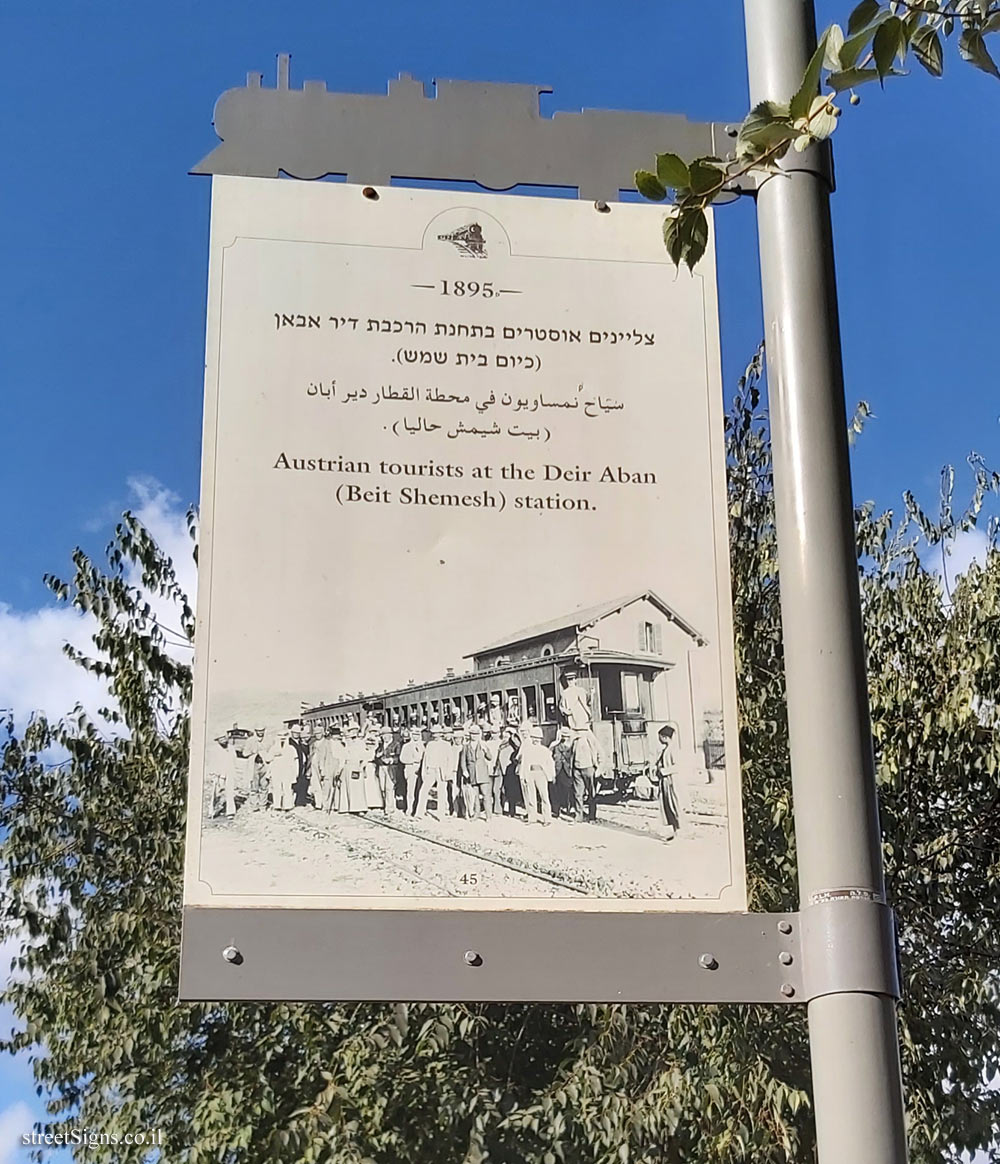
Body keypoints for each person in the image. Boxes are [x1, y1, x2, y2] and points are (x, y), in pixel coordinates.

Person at [518, 726, 554, 824]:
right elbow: (524, 764)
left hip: (541, 774)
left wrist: (550, 776)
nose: (535, 740)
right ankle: (532, 818)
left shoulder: (545, 750)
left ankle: (547, 818)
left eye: (538, 738)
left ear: (541, 739)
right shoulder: (527, 750)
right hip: (530, 773)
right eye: (533, 737)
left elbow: (550, 764)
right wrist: (523, 776)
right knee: (531, 796)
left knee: (544, 796)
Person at [416, 724, 453, 818]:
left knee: (442, 793)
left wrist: (448, 773)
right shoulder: (430, 744)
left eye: (438, 733)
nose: (436, 735)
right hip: (431, 770)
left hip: (442, 771)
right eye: (434, 734)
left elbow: (450, 760)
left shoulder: (446, 745)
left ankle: (441, 814)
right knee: (423, 791)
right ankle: (419, 813)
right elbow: (425, 759)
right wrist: (424, 772)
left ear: (441, 734)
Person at [458, 724, 493, 819]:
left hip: (482, 773)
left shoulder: (482, 745)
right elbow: (463, 761)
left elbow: (490, 758)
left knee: (485, 795)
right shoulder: (466, 746)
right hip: (472, 773)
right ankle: (476, 814)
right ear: (470, 735)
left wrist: (486, 751)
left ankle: (488, 815)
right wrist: (465, 771)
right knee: (476, 796)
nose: (474, 736)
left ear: (479, 735)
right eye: (472, 734)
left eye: (476, 734)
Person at [655, 722, 682, 840]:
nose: (659, 739)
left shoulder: (672, 750)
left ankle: (678, 830)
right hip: (665, 782)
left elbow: (677, 766)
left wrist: (663, 771)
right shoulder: (665, 750)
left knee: (673, 805)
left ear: (665, 737)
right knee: (667, 806)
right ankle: (673, 831)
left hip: (671, 782)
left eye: (660, 737)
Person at [570, 726, 601, 822]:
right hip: (577, 769)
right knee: (578, 794)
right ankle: (579, 816)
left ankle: (592, 816)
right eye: (577, 731)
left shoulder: (591, 741)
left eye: (580, 731)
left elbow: (600, 752)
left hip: (588, 768)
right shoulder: (574, 742)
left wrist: (599, 767)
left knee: (592, 793)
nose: (578, 733)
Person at [312, 725, 346, 813]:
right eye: (334, 735)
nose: (336, 737)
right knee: (327, 787)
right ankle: (325, 805)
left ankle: (336, 805)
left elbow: (343, 757)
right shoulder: (327, 743)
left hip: (338, 766)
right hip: (328, 766)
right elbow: (322, 757)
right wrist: (322, 768)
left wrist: (340, 768)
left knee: (337, 786)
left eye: (338, 735)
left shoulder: (341, 744)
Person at [340, 721, 370, 813]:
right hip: (347, 766)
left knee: (357, 788)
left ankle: (358, 807)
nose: (352, 733)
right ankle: (347, 806)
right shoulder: (346, 743)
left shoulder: (360, 743)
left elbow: (365, 756)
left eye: (354, 730)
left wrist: (362, 767)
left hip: (357, 766)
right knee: (347, 787)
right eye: (350, 730)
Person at [550, 727, 575, 819]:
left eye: (567, 736)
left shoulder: (571, 745)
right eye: (563, 736)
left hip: (568, 770)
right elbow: (549, 754)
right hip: (558, 770)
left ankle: (570, 808)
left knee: (568, 790)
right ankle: (557, 810)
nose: (565, 738)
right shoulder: (555, 745)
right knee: (557, 790)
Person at [270, 732, 299, 811]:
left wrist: (295, 773)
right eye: (280, 737)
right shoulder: (273, 748)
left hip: (287, 771)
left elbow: (295, 761)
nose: (282, 739)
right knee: (277, 788)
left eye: (284, 737)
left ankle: (288, 805)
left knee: (287, 788)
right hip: (276, 771)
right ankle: (277, 805)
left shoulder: (291, 749)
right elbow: (269, 760)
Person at [496, 727, 522, 816]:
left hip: (512, 771)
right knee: (506, 791)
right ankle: (505, 809)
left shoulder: (514, 747)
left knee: (512, 791)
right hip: (505, 770)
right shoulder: (501, 746)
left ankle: (512, 810)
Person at [399, 725, 424, 815]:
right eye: (414, 735)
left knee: (420, 790)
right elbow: (402, 758)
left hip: (420, 770)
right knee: (410, 790)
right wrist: (412, 761)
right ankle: (409, 808)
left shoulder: (423, 746)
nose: (415, 737)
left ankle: (418, 809)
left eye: (417, 735)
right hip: (410, 769)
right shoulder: (406, 746)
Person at [374, 727, 400, 815]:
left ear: (391, 735)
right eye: (383, 736)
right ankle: (385, 804)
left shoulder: (396, 744)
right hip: (381, 767)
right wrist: (378, 756)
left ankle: (390, 807)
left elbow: (399, 757)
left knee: (389, 788)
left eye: (386, 735)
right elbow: (376, 757)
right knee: (382, 788)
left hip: (391, 768)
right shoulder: (381, 745)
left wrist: (391, 760)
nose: (385, 737)